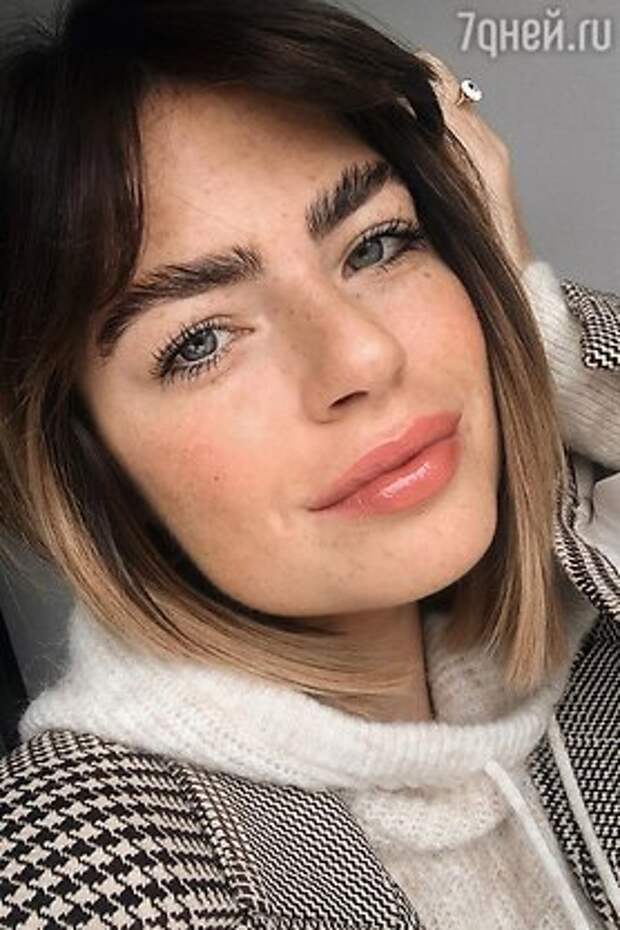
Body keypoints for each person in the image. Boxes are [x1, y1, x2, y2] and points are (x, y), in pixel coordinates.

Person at [0, 1, 618, 928]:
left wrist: (538, 331)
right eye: (201, 340)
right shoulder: (76, 863)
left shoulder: (582, 616)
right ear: (84, 459)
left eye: (378, 244)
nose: (363, 355)